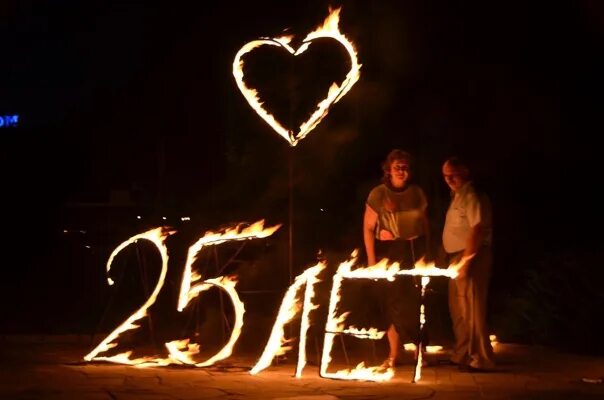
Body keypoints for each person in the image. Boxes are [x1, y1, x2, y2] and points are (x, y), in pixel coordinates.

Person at [363, 149, 431, 368]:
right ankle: (394, 353)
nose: (401, 171)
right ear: (388, 170)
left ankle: (420, 352)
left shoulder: (417, 193)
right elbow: (368, 228)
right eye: (396, 167)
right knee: (392, 304)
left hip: (412, 250)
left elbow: (425, 224)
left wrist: (428, 251)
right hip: (388, 252)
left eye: (404, 167)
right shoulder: (378, 194)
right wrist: (372, 261)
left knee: (415, 302)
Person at [441, 156, 495, 372]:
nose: (449, 179)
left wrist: (466, 261)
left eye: (453, 174)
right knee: (459, 310)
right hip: (455, 257)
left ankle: (480, 358)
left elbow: (477, 228)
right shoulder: (457, 196)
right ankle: (462, 353)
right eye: (445, 176)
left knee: (472, 308)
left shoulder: (472, 196)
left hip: (471, 256)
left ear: (464, 172)